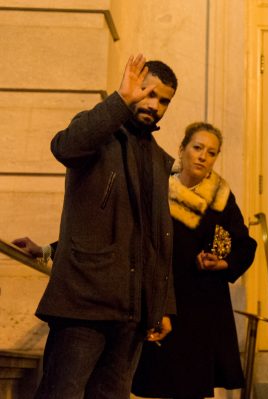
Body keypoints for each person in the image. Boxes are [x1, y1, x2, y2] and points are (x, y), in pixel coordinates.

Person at [12, 54, 179, 399]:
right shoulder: (98, 132)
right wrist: (119, 100)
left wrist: (162, 305)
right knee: (62, 393)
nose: (155, 104)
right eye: (149, 93)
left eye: (164, 100)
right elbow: (64, 146)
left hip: (131, 313)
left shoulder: (159, 159)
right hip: (83, 304)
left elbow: (154, 240)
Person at [131, 122, 257, 399]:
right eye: (197, 148)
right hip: (163, 297)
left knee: (193, 386)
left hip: (203, 305)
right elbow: (129, 234)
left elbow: (245, 245)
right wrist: (49, 250)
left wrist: (221, 263)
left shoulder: (221, 196)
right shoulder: (158, 188)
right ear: (183, 149)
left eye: (211, 152)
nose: (203, 156)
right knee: (156, 384)